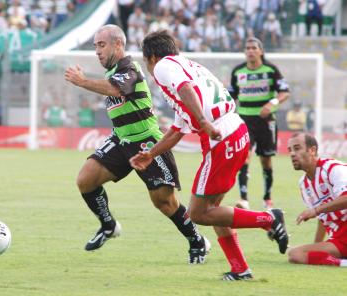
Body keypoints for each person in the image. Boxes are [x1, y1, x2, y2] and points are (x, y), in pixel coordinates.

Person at [130, 30, 289, 280]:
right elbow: (177, 130)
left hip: (220, 137)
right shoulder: (189, 67)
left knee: (197, 213)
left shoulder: (164, 67)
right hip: (236, 129)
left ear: (150, 57)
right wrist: (151, 153)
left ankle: (268, 219)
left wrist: (204, 122)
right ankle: (240, 269)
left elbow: (185, 89)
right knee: (213, 209)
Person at [64, 24, 210, 264]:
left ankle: (197, 241)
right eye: (95, 47)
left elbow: (116, 90)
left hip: (148, 141)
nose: (97, 51)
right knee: (86, 180)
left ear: (118, 45)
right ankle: (108, 225)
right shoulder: (113, 71)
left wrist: (82, 82)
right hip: (121, 139)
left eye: (102, 45)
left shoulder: (130, 68)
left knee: (164, 202)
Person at [229, 37, 290, 210]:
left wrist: (272, 104)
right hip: (244, 120)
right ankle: (243, 199)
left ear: (261, 51)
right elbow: (231, 96)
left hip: (265, 121)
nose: (250, 51)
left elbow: (284, 92)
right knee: (244, 158)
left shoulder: (271, 70)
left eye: (254, 48)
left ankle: (267, 198)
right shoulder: (237, 72)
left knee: (266, 161)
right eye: (247, 48)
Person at [287, 132, 347, 267]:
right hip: (339, 239)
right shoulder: (303, 185)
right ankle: (343, 263)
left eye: (297, 148)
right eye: (290, 150)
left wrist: (315, 210)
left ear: (312, 150)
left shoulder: (333, 169)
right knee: (296, 254)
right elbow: (323, 218)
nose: (292, 154)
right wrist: (316, 245)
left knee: (296, 254)